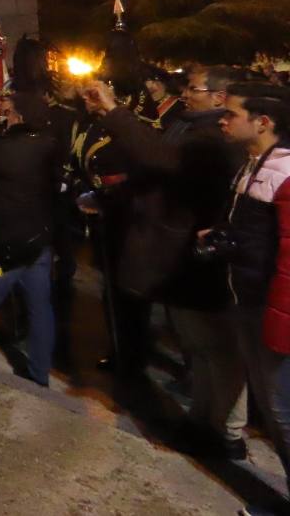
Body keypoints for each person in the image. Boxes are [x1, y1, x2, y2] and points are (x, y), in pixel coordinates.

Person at [83, 67, 246, 457]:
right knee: (198, 347)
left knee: (219, 351)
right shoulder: (188, 126)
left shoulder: (215, 137)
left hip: (202, 257)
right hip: (177, 254)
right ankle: (202, 420)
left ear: (220, 98)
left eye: (193, 88)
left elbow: (160, 158)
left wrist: (113, 111)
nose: (185, 93)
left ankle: (228, 432)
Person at [213, 83, 290, 505]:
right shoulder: (251, 165)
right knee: (274, 410)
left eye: (232, 114)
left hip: (273, 313)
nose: (223, 120)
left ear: (263, 123)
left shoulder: (285, 171)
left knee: (283, 414)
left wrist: (279, 326)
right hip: (250, 303)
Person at [0, 92, 61, 387]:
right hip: (40, 238)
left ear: (18, 116)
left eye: (9, 113)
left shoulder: (8, 149)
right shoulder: (50, 143)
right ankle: (40, 371)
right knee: (39, 307)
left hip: (8, 241)